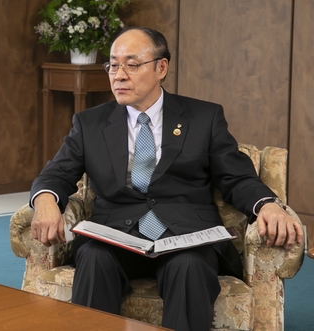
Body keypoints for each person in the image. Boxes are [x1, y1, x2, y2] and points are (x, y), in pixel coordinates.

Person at [30, 26, 303, 331]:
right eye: (113, 64)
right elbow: (57, 172)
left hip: (185, 235)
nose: (119, 75)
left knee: (188, 267)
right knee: (94, 259)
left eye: (131, 65)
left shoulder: (204, 117)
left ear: (161, 67)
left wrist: (267, 204)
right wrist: (45, 200)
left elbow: (236, 177)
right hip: (116, 235)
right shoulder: (90, 122)